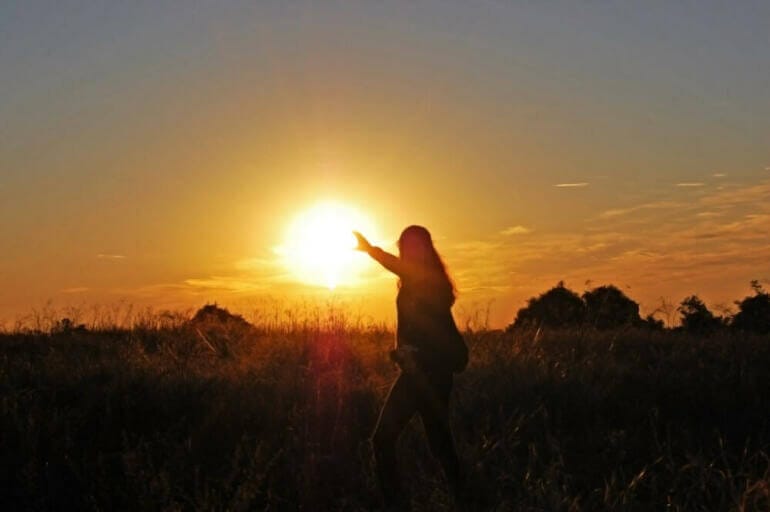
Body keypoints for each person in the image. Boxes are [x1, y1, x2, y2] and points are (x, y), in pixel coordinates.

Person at [354, 225, 468, 509]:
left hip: (426, 374)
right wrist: (404, 352)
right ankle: (465, 497)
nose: (411, 250)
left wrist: (371, 251)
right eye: (407, 244)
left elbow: (397, 267)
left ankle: (395, 503)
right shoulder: (423, 279)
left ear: (426, 248)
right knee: (440, 445)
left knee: (383, 440)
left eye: (417, 245)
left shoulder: (425, 279)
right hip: (424, 372)